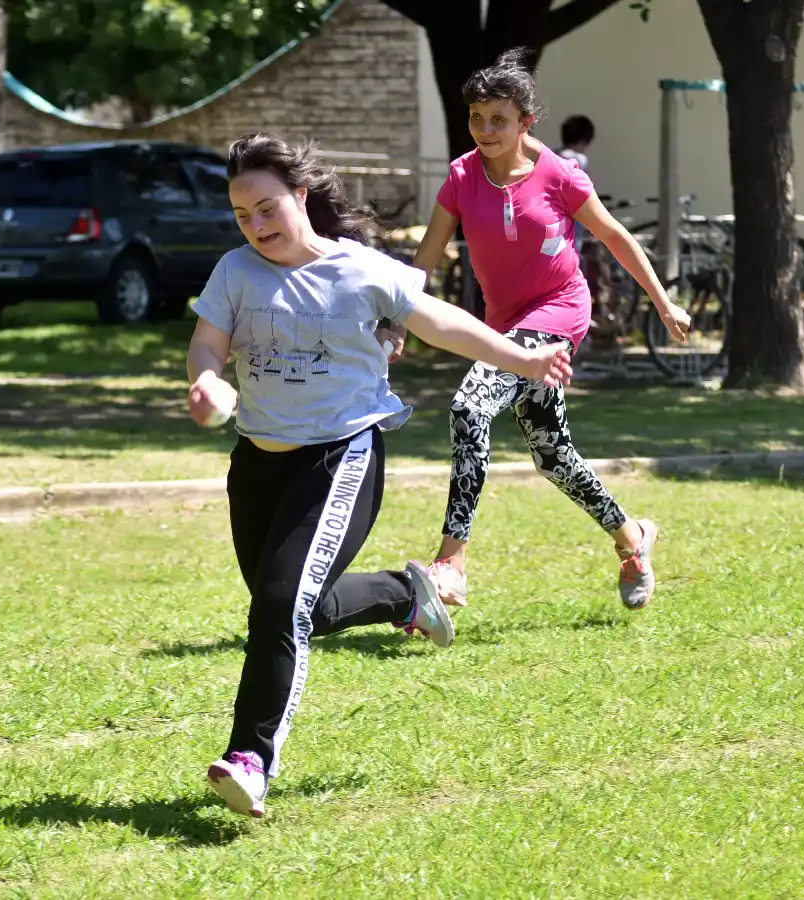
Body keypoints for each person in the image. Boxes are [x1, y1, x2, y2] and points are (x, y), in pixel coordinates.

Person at [187, 132, 572, 818]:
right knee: (303, 608)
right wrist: (208, 380)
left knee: (279, 606)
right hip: (257, 463)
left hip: (338, 457)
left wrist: (522, 359)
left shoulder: (360, 270)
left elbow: (441, 323)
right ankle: (405, 595)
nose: (257, 225)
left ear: (300, 195)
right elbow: (207, 342)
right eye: (243, 215)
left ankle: (250, 758)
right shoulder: (235, 272)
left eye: (268, 208)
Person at [389, 49, 690, 612]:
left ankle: (451, 563)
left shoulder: (559, 175)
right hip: (504, 325)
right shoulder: (461, 177)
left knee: (470, 407)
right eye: (476, 118)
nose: (485, 130)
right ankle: (633, 538)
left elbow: (615, 236)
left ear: (526, 121)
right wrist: (397, 319)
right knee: (552, 455)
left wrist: (664, 303)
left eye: (498, 120)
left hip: (558, 311)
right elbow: (426, 255)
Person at [557, 115, 596, 252]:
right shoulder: (579, 159)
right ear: (584, 141)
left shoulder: (552, 155)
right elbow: (585, 193)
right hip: (572, 219)